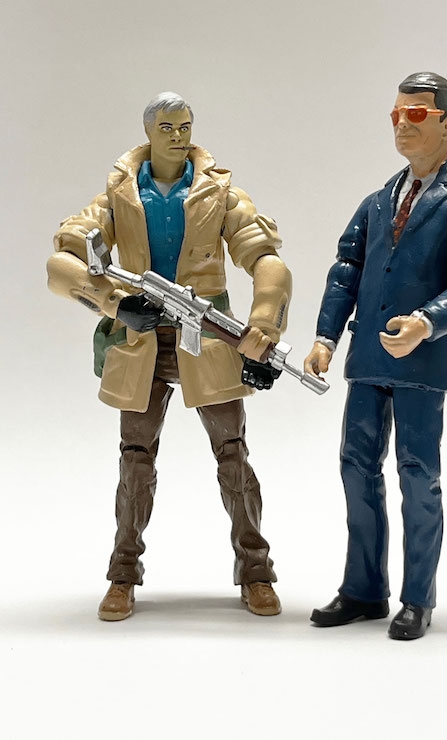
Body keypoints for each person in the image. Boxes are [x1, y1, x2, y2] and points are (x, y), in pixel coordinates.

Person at [47, 92, 291, 620]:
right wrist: (115, 302)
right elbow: (61, 263)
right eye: (167, 128)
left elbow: (267, 260)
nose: (178, 136)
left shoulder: (217, 192)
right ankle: (123, 573)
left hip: (207, 334)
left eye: (185, 126)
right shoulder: (118, 195)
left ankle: (255, 570)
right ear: (148, 132)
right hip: (140, 339)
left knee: (233, 454)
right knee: (136, 459)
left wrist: (264, 323)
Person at [304, 72, 447, 640]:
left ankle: (418, 597)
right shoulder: (376, 201)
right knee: (356, 468)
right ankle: (364, 588)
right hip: (368, 359)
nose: (401, 124)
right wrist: (325, 337)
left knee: (417, 475)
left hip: (421, 364)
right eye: (396, 114)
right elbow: (347, 269)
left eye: (416, 114)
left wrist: (427, 322)